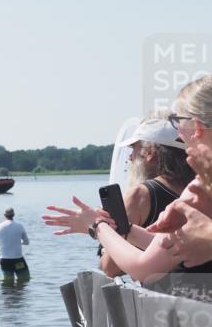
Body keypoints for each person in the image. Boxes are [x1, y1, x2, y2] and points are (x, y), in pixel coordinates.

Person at [43, 76, 212, 303]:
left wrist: (97, 226)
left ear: (197, 128)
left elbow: (141, 268)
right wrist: (126, 229)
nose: (178, 132)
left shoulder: (199, 189)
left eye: (178, 121)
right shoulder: (197, 185)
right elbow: (170, 246)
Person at [100, 117, 193, 277]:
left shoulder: (139, 195)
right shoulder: (200, 191)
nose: (130, 157)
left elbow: (111, 268)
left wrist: (101, 235)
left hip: (162, 297)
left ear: (149, 153)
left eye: (134, 148)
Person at [0, 207, 30, 283]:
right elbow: (27, 242)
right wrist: (19, 242)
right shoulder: (20, 226)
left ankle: (8, 294)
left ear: (4, 215)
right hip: (18, 260)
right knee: (24, 280)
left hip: (4, 260)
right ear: (14, 215)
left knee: (7, 282)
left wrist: (1, 243)